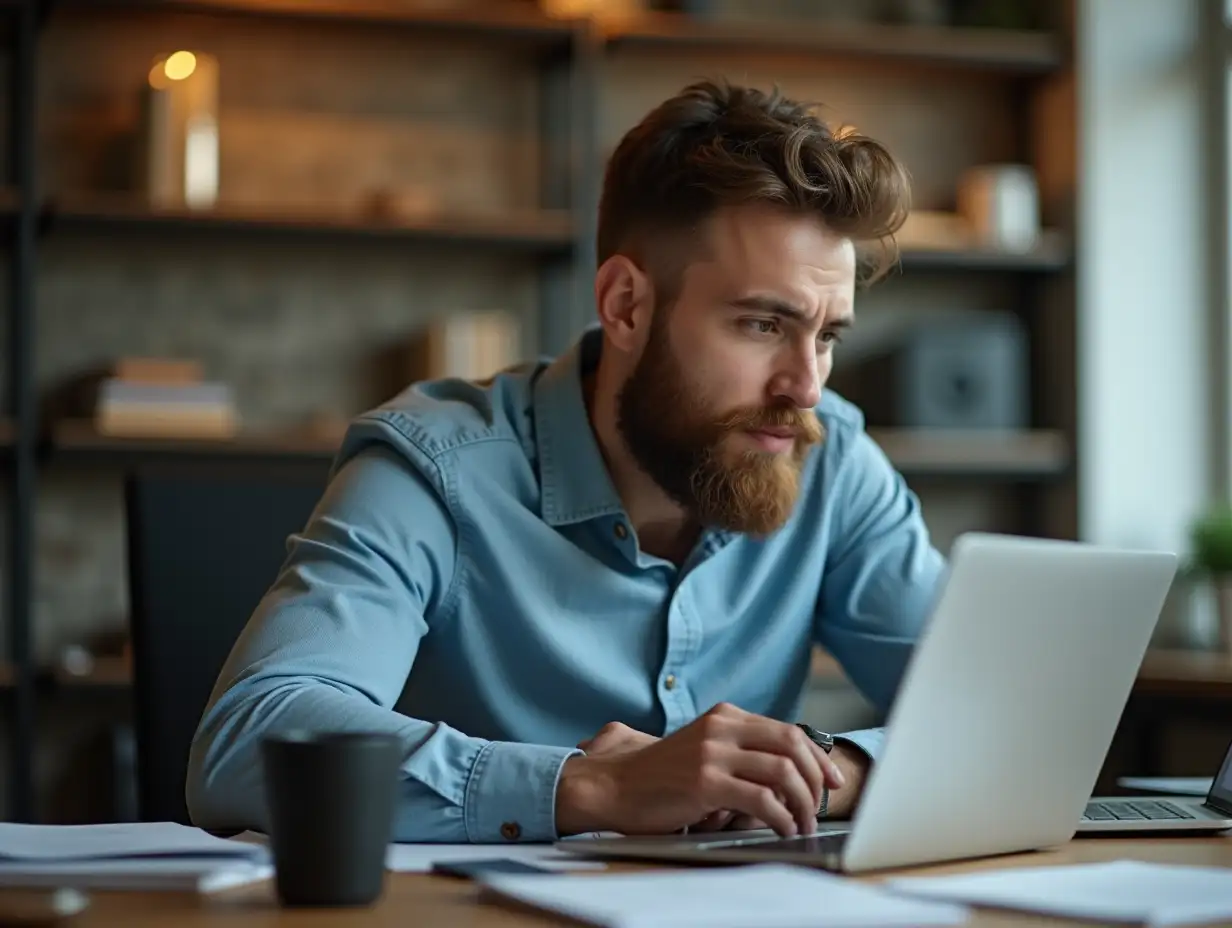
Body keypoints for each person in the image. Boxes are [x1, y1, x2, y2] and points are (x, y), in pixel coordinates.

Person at [186, 79, 946, 844]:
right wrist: (592, 787)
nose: (805, 385)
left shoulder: (830, 457)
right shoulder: (437, 467)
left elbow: (1006, 712)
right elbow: (251, 744)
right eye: (761, 324)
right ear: (625, 305)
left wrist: (829, 771)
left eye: (826, 336)